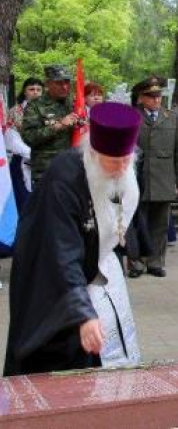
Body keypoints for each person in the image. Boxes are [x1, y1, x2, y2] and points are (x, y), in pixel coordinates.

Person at [4, 102, 143, 376]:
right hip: (51, 278)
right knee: (66, 358)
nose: (121, 168)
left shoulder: (125, 167)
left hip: (99, 265)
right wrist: (82, 313)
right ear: (93, 152)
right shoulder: (64, 178)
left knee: (113, 344)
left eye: (126, 160)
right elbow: (61, 253)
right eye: (113, 162)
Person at [128, 76, 178, 278]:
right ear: (141, 98)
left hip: (163, 179)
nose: (156, 100)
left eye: (158, 96)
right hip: (138, 178)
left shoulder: (172, 117)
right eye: (151, 96)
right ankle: (136, 262)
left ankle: (155, 261)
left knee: (160, 224)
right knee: (138, 221)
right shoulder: (132, 117)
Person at [20, 64, 78, 186]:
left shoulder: (74, 105)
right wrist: (58, 126)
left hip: (73, 170)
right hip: (47, 173)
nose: (65, 87)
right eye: (59, 83)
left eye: (67, 82)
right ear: (48, 84)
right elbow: (29, 137)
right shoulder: (35, 106)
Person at [5, 77, 43, 210]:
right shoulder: (15, 111)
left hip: (46, 163)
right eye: (31, 89)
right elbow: (11, 139)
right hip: (22, 161)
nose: (35, 92)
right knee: (24, 204)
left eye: (39, 89)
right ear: (25, 92)